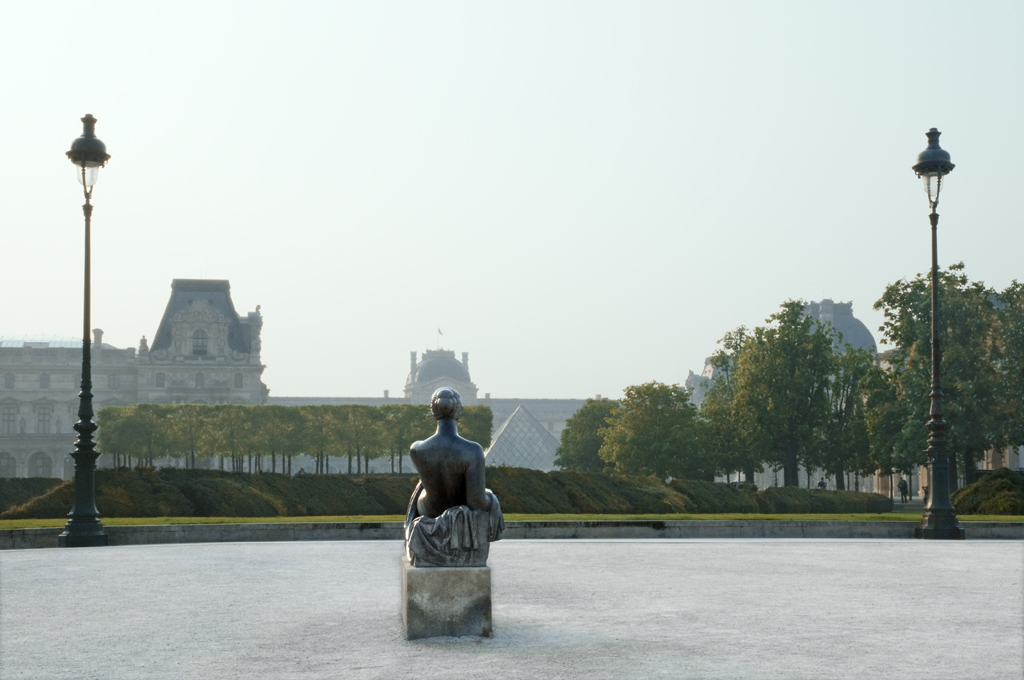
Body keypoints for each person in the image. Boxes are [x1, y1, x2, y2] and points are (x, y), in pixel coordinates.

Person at [405, 388, 503, 567]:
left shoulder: (416, 449)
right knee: (489, 496)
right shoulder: (473, 450)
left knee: (421, 486)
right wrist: (492, 500)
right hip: (456, 506)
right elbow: (476, 502)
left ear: (433, 410)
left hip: (427, 509)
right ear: (458, 410)